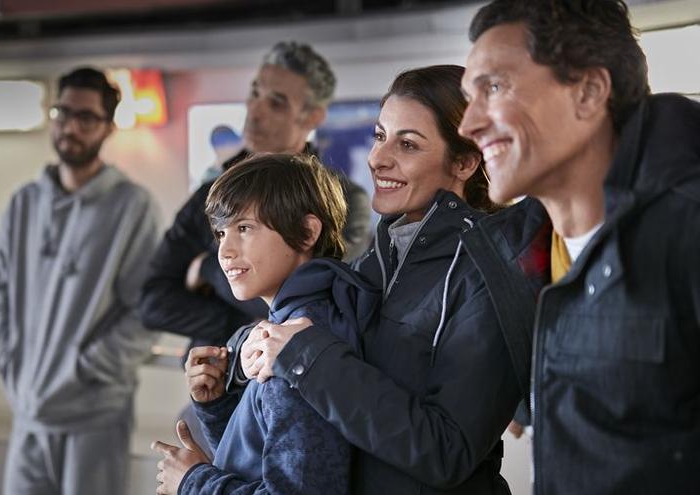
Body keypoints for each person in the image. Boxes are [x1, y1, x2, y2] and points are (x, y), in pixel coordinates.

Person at [230, 65, 544, 494]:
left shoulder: (486, 271)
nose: (378, 158)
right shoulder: (375, 260)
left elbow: (446, 452)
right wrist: (246, 350)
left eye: (408, 144)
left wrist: (307, 358)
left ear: (465, 162)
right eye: (380, 136)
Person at [457, 1, 700, 493]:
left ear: (589, 92)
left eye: (495, 87)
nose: (469, 124)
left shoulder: (688, 225)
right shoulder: (517, 254)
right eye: (468, 96)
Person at [151, 153, 379, 494]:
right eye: (220, 233)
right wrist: (217, 407)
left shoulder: (294, 345)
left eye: (244, 228)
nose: (225, 251)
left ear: (306, 232)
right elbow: (266, 462)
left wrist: (193, 483)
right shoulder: (303, 322)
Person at [0, 67, 160, 495]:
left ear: (107, 127)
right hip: (27, 411)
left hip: (93, 416)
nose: (70, 127)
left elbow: (147, 308)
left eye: (86, 118)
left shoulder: (132, 206)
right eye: (63, 113)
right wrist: (11, 362)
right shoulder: (24, 202)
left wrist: (88, 368)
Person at [140, 41, 372, 353]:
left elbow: (320, 301)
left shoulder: (341, 200)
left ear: (312, 116)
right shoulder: (209, 196)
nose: (256, 109)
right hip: (216, 381)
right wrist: (241, 329)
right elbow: (153, 302)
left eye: (276, 103)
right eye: (254, 93)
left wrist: (208, 269)